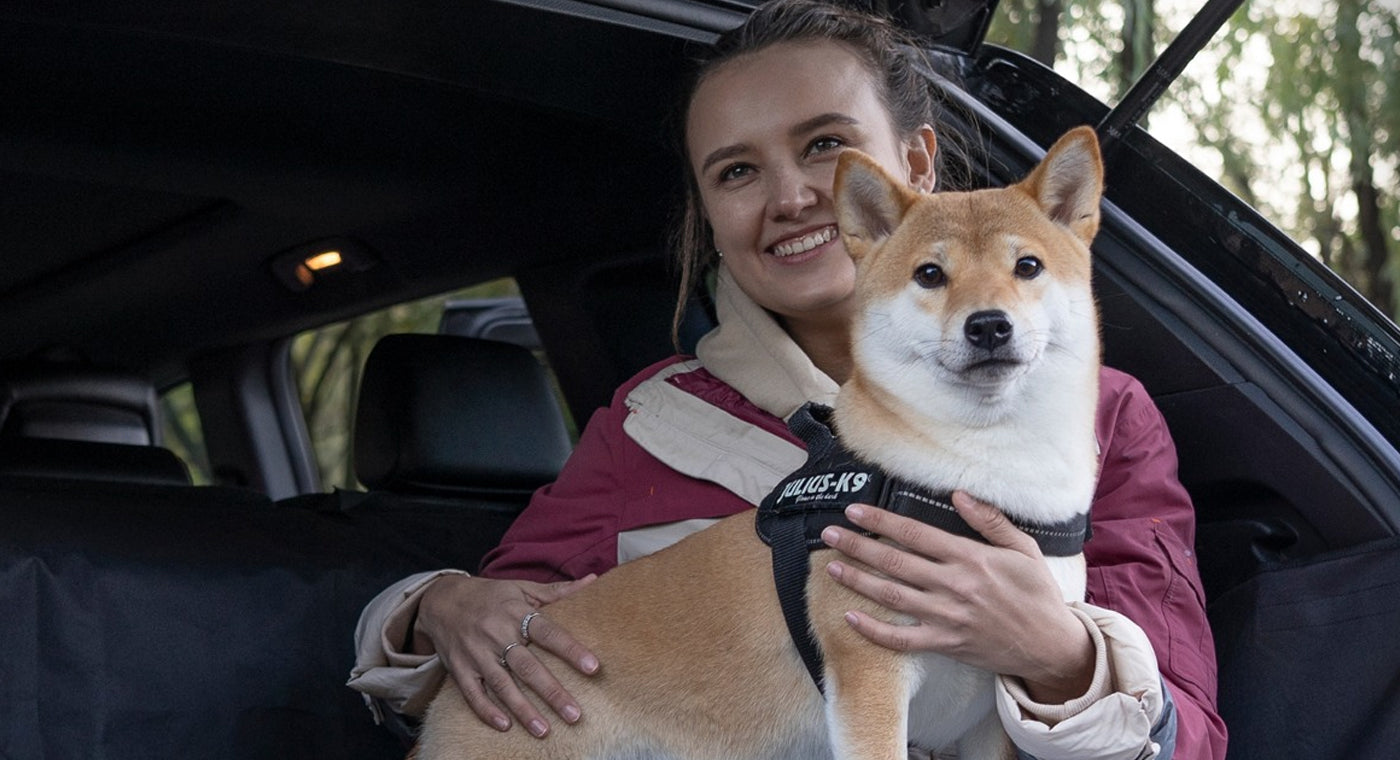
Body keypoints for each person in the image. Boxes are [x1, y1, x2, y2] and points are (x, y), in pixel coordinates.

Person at [349, 1, 1228, 757]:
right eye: (737, 172)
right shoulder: (652, 425)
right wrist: (441, 605)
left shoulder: (1103, 418)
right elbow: (513, 635)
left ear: (912, 167)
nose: (794, 196)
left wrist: (1056, 653)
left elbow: (1186, 733)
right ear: (711, 213)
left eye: (826, 146)